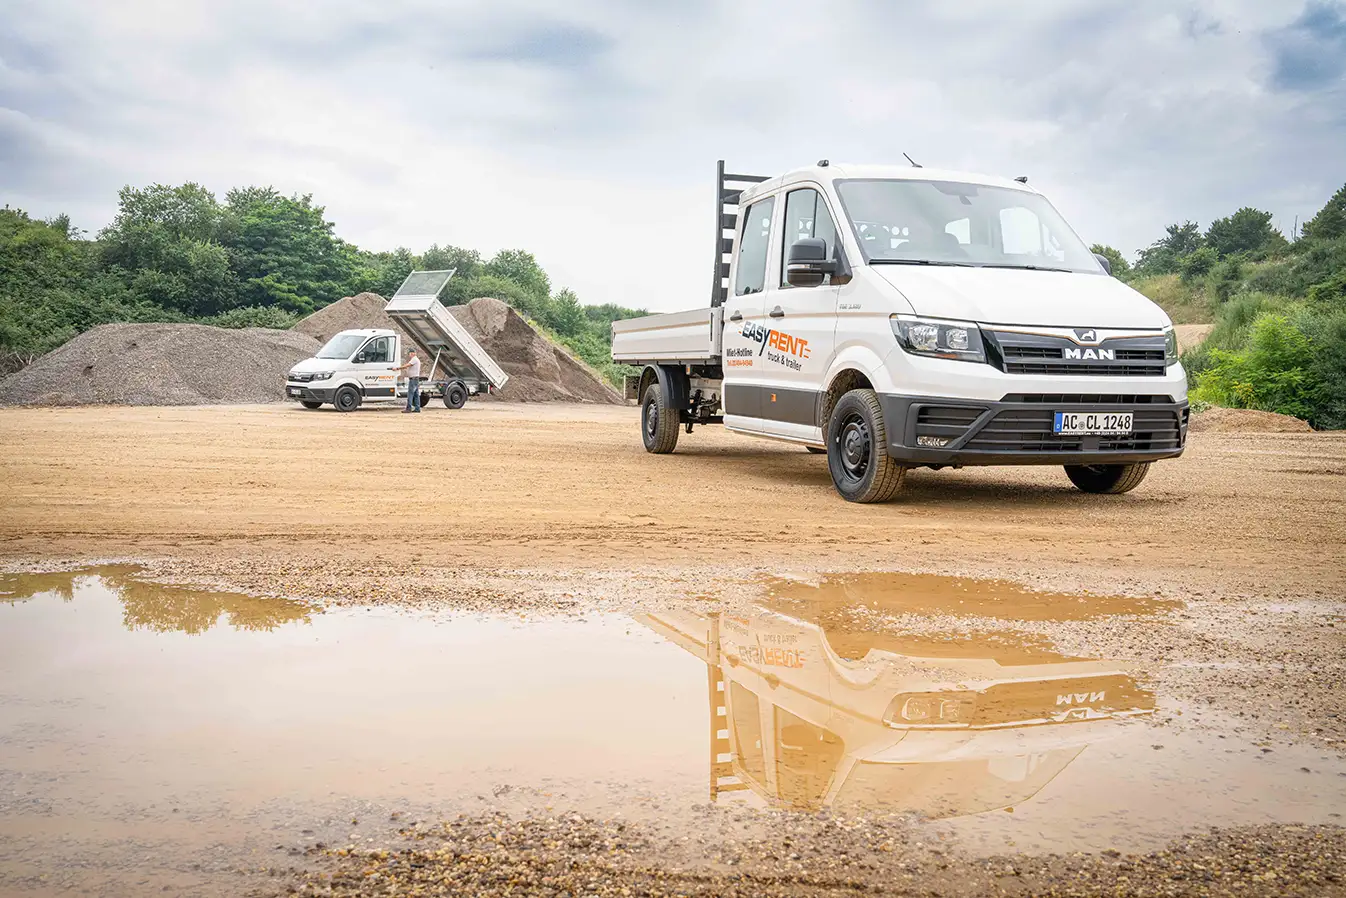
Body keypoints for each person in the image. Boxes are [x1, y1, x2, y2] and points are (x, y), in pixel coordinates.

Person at [390, 348, 422, 413]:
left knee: (410, 394)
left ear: (412, 353)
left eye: (409, 353)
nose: (409, 355)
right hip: (415, 379)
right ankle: (417, 408)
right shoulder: (415, 360)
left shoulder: (414, 359)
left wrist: (397, 368)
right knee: (416, 394)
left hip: (413, 379)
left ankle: (408, 408)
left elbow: (407, 366)